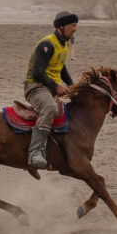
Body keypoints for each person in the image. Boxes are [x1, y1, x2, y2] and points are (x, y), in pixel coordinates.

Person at [24, 10, 78, 169]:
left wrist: (71, 84)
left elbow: (60, 66)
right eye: (73, 25)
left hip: (49, 88)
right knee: (49, 108)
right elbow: (37, 73)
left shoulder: (64, 43)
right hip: (35, 87)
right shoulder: (47, 44)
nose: (75, 29)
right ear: (61, 26)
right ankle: (35, 152)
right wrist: (56, 86)